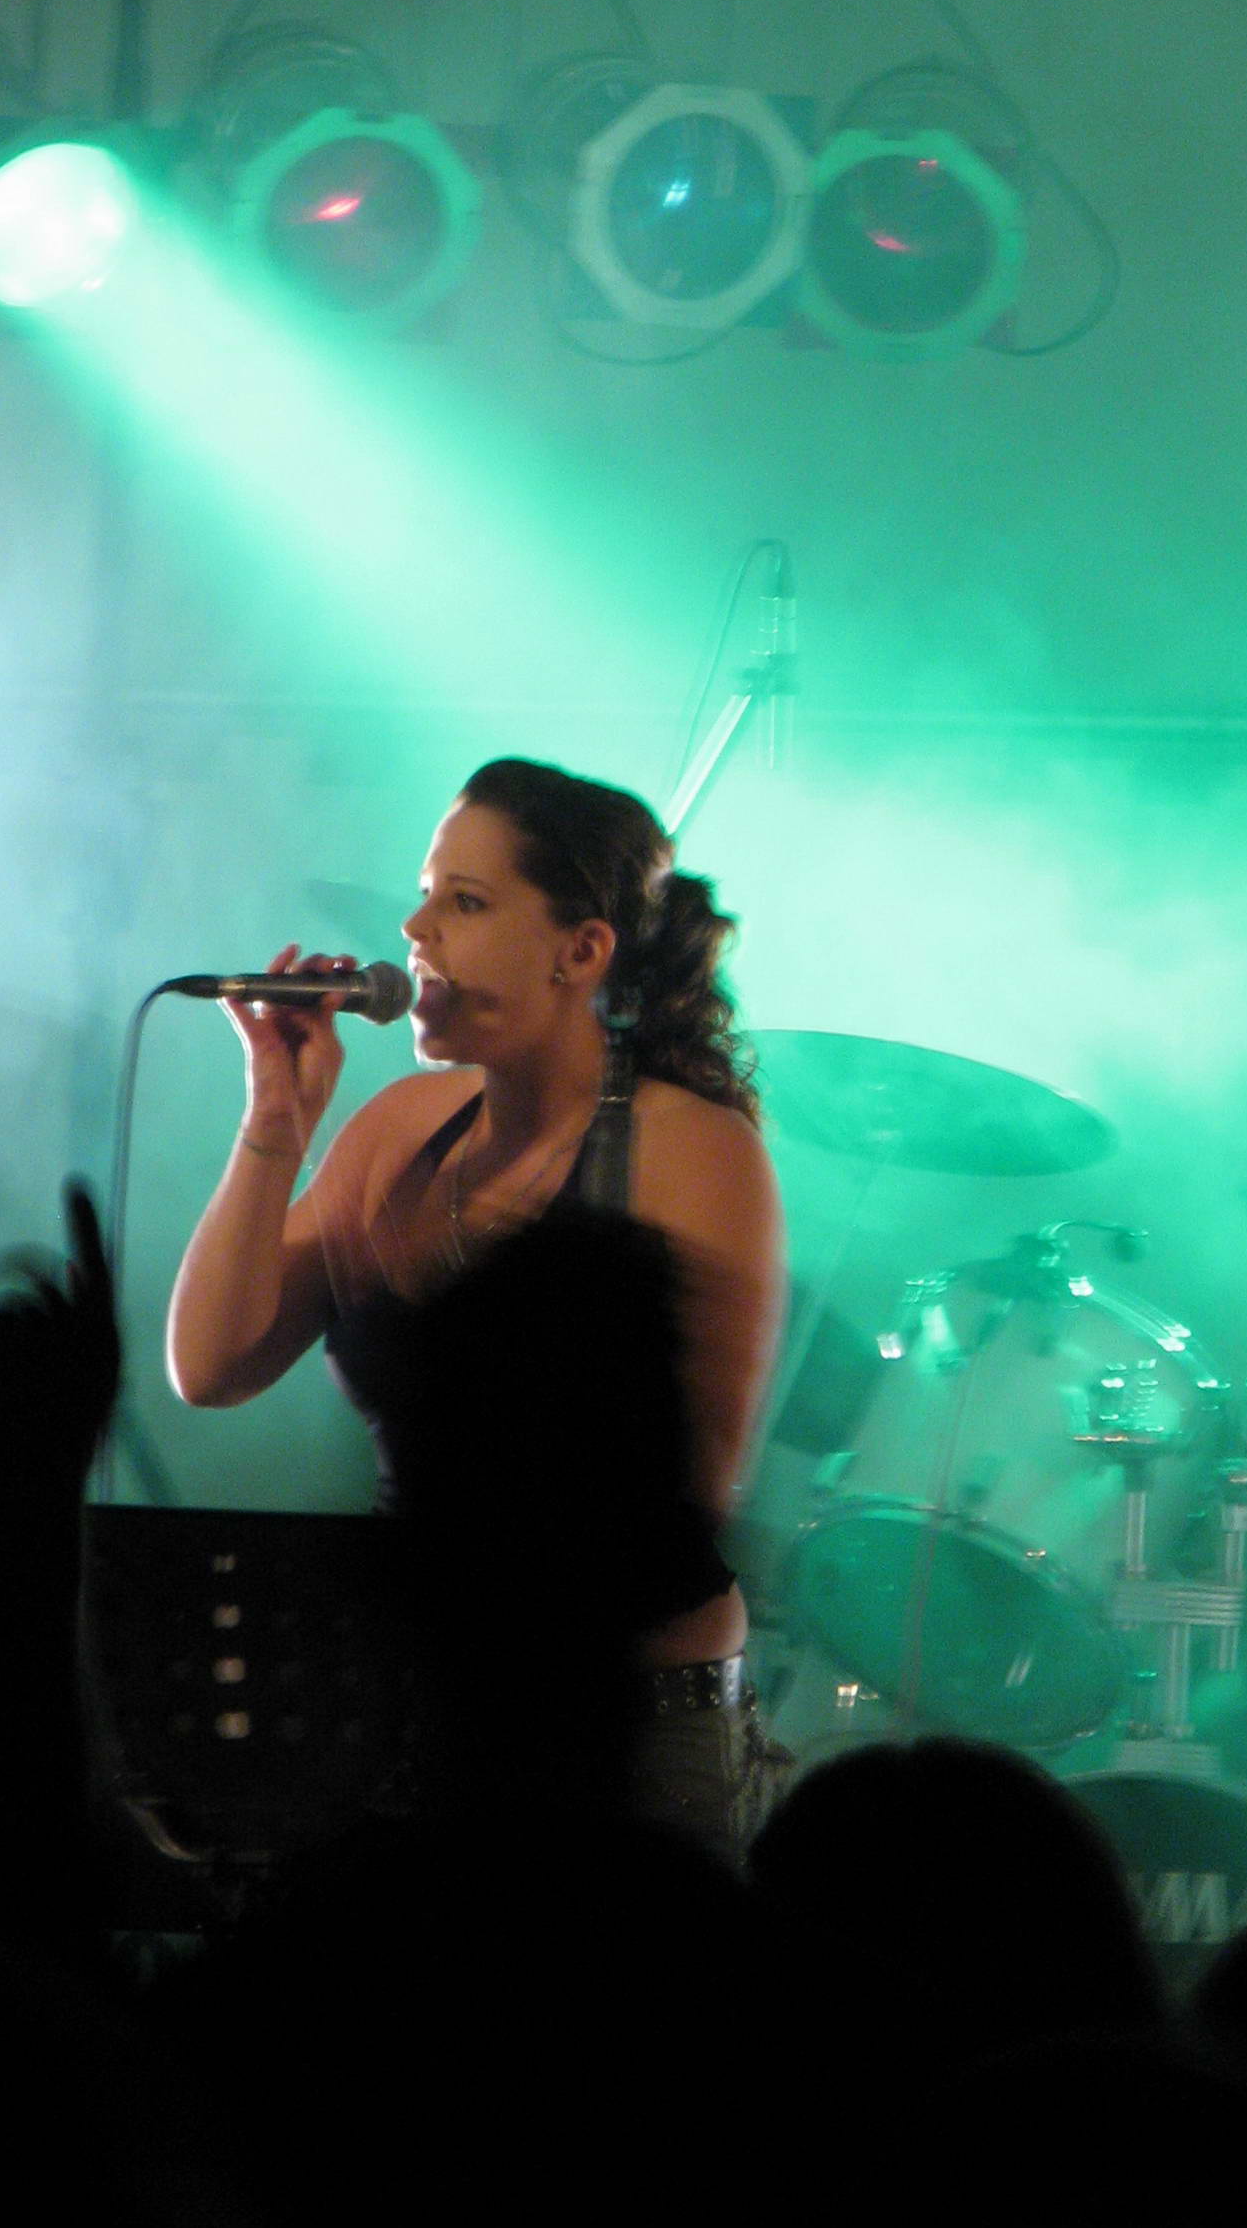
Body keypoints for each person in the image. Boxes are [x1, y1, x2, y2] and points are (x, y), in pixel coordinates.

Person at [166, 759, 789, 1858]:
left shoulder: (687, 1146)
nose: (413, 930)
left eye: (464, 900)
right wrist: (274, 1123)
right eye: (424, 894)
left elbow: (681, 1504)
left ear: (579, 950)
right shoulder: (400, 1130)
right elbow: (211, 1367)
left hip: (635, 1730)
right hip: (434, 1706)